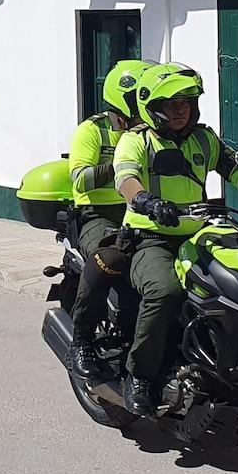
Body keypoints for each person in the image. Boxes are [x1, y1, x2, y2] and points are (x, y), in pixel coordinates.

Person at [112, 63, 238, 417]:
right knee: (165, 290)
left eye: (186, 101)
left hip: (201, 235)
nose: (180, 108)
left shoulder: (204, 139)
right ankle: (139, 376)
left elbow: (236, 170)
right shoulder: (136, 140)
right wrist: (147, 201)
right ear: (152, 107)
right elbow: (125, 178)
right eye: (171, 103)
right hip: (150, 237)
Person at [65, 58, 149, 381]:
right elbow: (80, 179)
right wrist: (119, 166)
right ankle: (82, 340)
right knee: (108, 256)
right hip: (98, 215)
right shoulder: (92, 131)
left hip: (139, 214)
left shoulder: (150, 135)